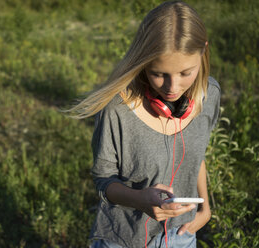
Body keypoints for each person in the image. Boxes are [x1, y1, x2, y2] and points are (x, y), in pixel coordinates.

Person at [69, 1, 220, 247]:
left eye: (185, 73)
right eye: (158, 73)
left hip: (182, 234)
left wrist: (205, 208)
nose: (172, 88)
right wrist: (139, 199)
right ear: (142, 62)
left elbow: (196, 155)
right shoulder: (116, 109)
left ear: (204, 51)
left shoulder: (209, 94)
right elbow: (103, 181)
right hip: (124, 237)